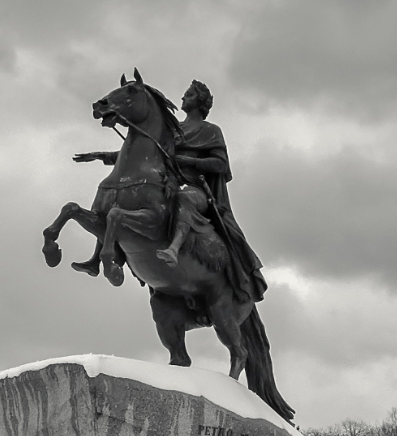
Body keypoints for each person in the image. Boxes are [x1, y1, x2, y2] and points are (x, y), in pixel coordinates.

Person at [73, 80, 267, 302]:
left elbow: (221, 164)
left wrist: (186, 160)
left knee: (183, 199)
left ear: (200, 102)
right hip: (165, 182)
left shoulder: (211, 130)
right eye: (186, 94)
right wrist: (103, 156)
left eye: (190, 95)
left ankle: (174, 248)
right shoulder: (173, 130)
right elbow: (145, 153)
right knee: (114, 201)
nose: (184, 98)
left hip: (194, 189)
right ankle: (98, 257)